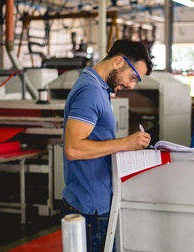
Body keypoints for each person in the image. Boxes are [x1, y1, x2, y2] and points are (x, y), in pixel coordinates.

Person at [62, 39, 153, 252]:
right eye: (134, 77)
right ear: (118, 61)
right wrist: (126, 143)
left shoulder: (99, 88)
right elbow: (73, 149)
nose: (132, 85)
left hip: (92, 200)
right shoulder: (91, 91)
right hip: (90, 206)